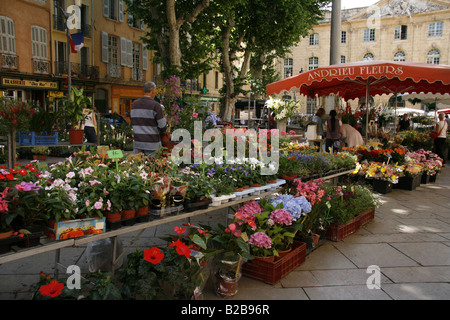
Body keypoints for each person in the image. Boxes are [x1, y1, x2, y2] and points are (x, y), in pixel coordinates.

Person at [130, 81, 167, 157]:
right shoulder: (156, 105)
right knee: (152, 166)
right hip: (152, 144)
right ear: (153, 91)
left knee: (138, 166)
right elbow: (162, 126)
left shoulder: (134, 104)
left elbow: (133, 121)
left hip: (138, 143)